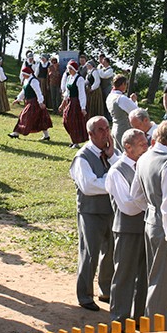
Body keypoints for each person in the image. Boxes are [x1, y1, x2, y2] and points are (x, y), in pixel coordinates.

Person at [129, 120, 167, 325]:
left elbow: (136, 195)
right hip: (166, 228)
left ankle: (154, 325)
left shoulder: (145, 157)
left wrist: (151, 209)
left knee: (154, 277)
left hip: (151, 222)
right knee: (162, 282)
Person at [70, 116, 119, 311]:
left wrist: (113, 155)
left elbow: (124, 171)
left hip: (110, 210)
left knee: (110, 252)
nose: (105, 133)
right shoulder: (82, 157)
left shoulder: (110, 153)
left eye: (107, 128)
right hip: (90, 212)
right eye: (100, 130)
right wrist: (111, 180)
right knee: (89, 253)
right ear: (90, 134)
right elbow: (89, 186)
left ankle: (105, 289)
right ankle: (84, 295)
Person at [105, 128, 149, 323]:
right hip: (126, 229)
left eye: (146, 143)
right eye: (142, 144)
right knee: (124, 274)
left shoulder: (146, 166)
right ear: (128, 147)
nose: (146, 147)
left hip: (146, 227)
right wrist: (151, 203)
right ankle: (119, 319)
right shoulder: (117, 170)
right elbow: (128, 205)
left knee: (144, 275)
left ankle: (140, 317)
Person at [8, 66, 52, 141]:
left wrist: (41, 102)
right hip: (28, 102)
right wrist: (18, 99)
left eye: (24, 74)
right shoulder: (26, 80)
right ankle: (46, 136)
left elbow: (38, 92)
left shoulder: (34, 81)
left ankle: (16, 133)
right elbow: (23, 91)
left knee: (24, 116)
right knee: (39, 119)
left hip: (34, 102)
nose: (23, 76)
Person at [60, 60, 87, 148]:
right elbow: (67, 92)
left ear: (75, 69)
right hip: (70, 101)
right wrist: (63, 103)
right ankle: (74, 139)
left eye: (71, 69)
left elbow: (82, 94)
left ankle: (76, 141)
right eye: (68, 69)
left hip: (76, 102)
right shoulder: (69, 78)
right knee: (66, 121)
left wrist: (83, 107)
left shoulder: (79, 79)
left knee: (73, 122)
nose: (69, 71)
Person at [106, 75, 138, 150]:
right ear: (123, 84)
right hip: (124, 129)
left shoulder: (110, 96)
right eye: (126, 84)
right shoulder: (121, 98)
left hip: (114, 128)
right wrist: (134, 101)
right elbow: (136, 112)